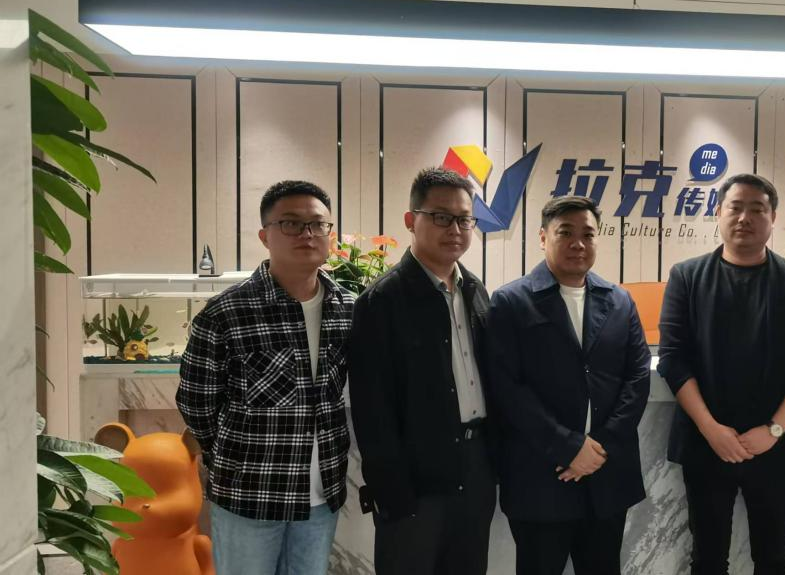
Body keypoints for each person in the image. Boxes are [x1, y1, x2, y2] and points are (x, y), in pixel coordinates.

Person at [177, 180, 352, 574]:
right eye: (291, 223)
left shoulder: (348, 308)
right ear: (264, 235)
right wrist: (232, 458)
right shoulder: (226, 313)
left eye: (317, 224)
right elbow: (196, 403)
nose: (307, 233)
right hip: (249, 495)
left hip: (322, 495)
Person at [657, 173, 785, 575]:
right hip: (706, 443)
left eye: (757, 209)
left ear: (773, 218)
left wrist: (774, 430)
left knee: (774, 557)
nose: (745, 217)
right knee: (707, 557)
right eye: (735, 207)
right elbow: (673, 358)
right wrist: (711, 429)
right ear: (718, 212)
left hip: (774, 446)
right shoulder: (687, 276)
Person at [487, 195, 651, 575]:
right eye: (565, 233)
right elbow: (507, 388)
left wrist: (600, 446)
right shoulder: (511, 302)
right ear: (543, 237)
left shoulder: (620, 301)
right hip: (541, 476)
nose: (578, 243)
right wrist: (569, 446)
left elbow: (638, 376)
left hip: (606, 476)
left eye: (588, 234)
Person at [348, 167, 495, 575]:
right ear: (411, 220)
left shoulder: (475, 290)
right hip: (413, 478)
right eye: (441, 217)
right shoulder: (381, 302)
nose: (455, 229)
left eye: (464, 219)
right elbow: (372, 409)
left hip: (475, 467)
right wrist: (392, 491)